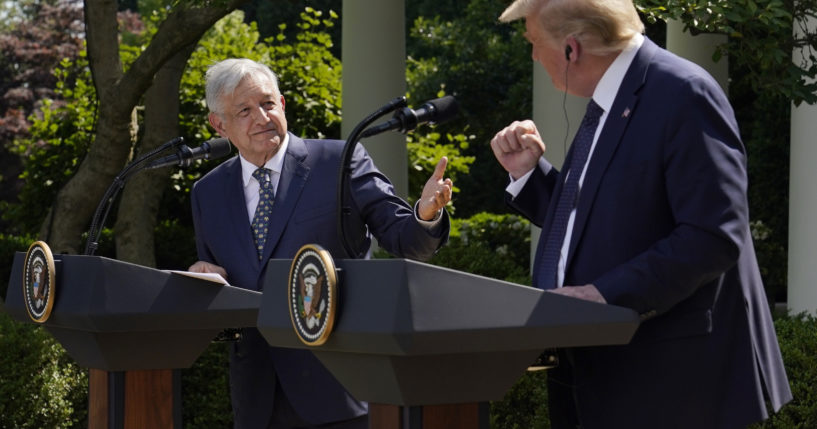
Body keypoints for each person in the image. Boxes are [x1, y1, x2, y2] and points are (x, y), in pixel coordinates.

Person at [490, 0, 792, 427]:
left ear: (571, 49)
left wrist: (603, 295)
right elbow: (607, 218)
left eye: (534, 43)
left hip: (673, 384)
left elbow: (713, 234)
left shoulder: (683, 91)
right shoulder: (611, 98)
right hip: (606, 374)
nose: (534, 56)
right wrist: (529, 176)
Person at [188, 58, 452, 428]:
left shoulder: (338, 162)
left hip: (340, 390)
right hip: (256, 399)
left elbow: (405, 240)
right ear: (219, 124)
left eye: (267, 103)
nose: (261, 117)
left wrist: (425, 214)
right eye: (244, 111)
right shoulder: (207, 193)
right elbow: (222, 286)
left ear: (282, 105)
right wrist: (199, 281)